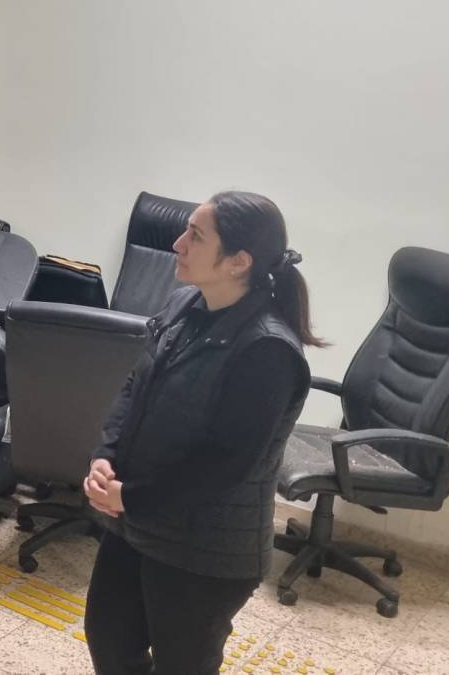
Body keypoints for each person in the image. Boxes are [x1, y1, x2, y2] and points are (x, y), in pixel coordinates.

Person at [82, 190, 322, 675]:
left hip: (206, 548)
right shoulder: (183, 304)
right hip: (138, 521)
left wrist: (132, 497)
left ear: (238, 261)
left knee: (183, 664)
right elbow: (135, 387)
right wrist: (106, 456)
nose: (178, 244)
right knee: (109, 640)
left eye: (195, 235)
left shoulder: (268, 350)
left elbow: (227, 462)